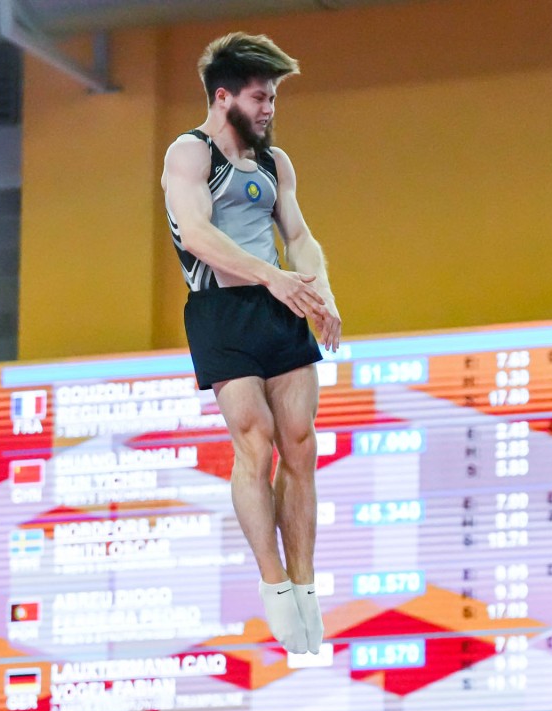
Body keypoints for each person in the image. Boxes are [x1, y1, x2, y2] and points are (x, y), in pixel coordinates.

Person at [161, 32, 341, 656]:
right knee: (256, 440)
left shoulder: (274, 163)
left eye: (273, 99)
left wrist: (320, 292)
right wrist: (272, 276)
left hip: (279, 304)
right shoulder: (190, 154)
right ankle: (274, 583)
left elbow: (300, 237)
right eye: (260, 98)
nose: (269, 109)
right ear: (224, 97)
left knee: (300, 443)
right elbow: (196, 235)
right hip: (221, 310)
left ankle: (306, 586)